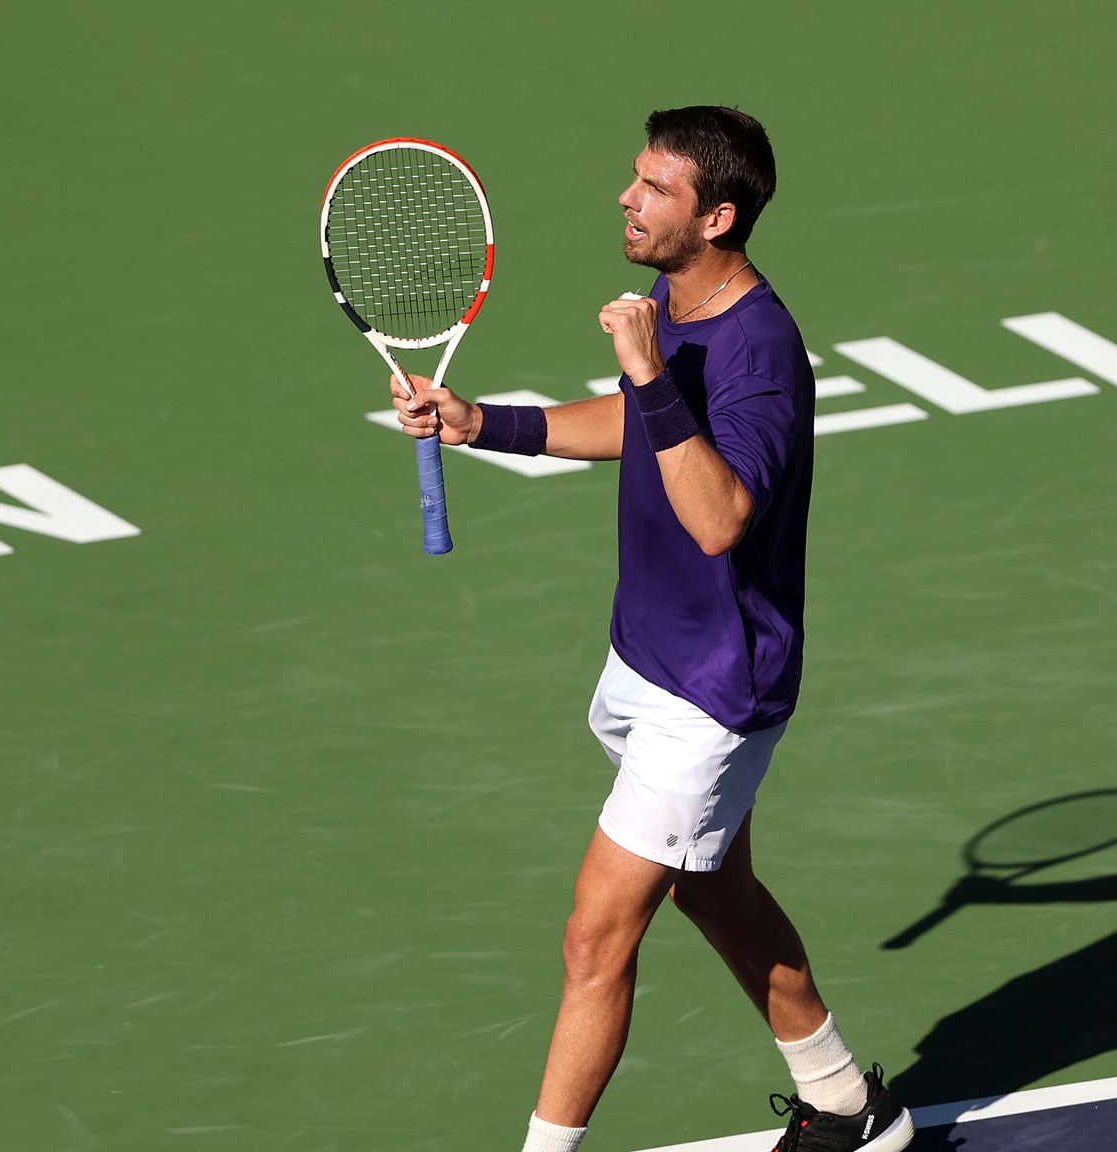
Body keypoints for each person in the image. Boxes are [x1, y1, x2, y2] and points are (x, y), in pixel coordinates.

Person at [388, 106, 914, 1152]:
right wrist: (481, 423)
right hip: (648, 656)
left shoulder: (760, 348)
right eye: (632, 179)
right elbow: (641, 427)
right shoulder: (675, 306)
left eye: (654, 189)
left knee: (594, 938)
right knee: (715, 892)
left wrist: (643, 371)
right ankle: (852, 1108)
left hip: (713, 689)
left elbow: (718, 516)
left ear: (715, 216)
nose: (626, 200)